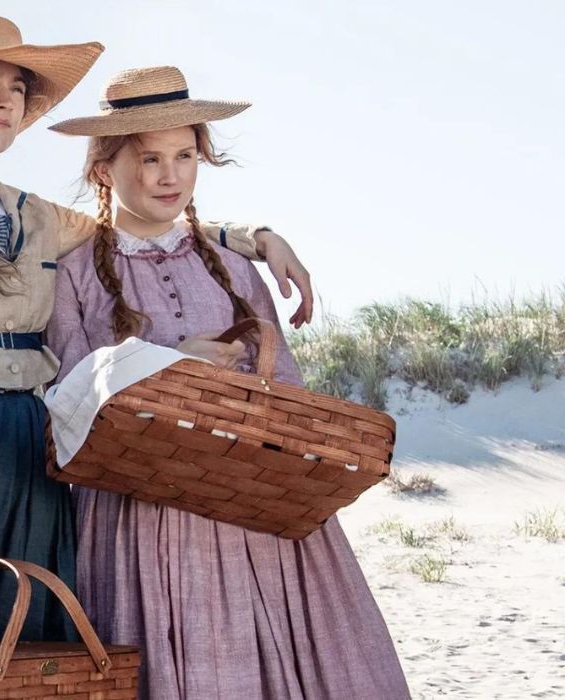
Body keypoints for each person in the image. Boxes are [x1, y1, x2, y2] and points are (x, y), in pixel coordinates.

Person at [0, 14, 312, 646]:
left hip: (30, 449)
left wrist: (254, 238)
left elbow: (144, 221)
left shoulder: (38, 218)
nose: (6, 98)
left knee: (30, 648)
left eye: (16, 85)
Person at [46, 65, 409, 699]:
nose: (170, 175)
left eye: (185, 155)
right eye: (150, 157)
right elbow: (72, 398)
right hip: (141, 506)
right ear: (105, 169)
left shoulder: (236, 268)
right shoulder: (72, 272)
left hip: (253, 498)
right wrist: (165, 362)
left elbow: (287, 387)